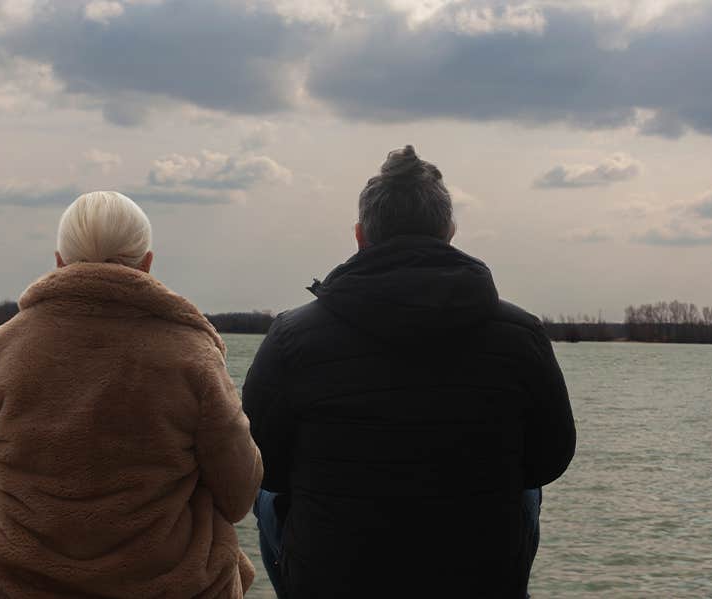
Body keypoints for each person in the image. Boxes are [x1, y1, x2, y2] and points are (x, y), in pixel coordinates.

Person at [243, 146, 575, 598]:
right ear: (449, 233)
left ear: (361, 236)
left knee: (266, 498)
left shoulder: (291, 336)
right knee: (526, 490)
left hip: (334, 579)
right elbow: (550, 458)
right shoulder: (522, 333)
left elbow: (266, 466)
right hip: (479, 576)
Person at [0, 191, 263, 599]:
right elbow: (239, 495)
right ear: (147, 264)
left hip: (11, 587)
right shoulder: (193, 356)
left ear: (59, 261)